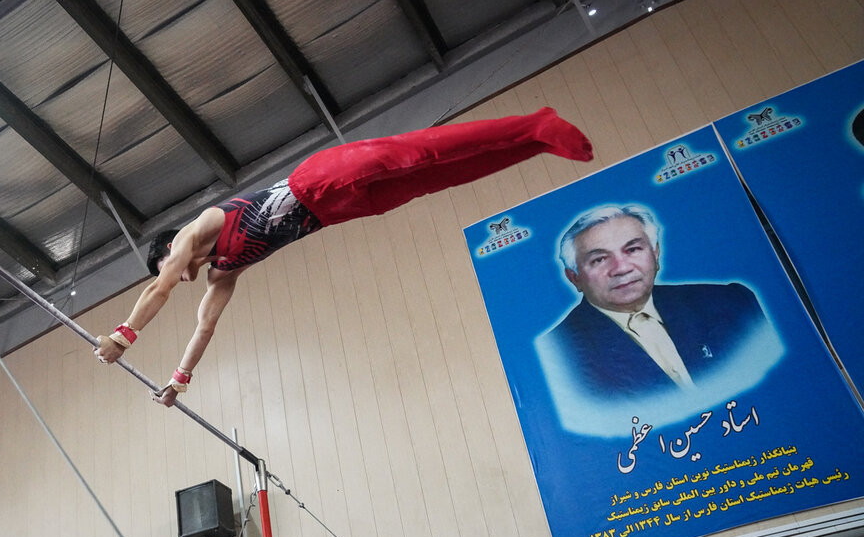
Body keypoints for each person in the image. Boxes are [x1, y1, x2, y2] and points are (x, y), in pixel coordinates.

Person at [93, 107, 594, 405]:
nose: (171, 277)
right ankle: (534, 144)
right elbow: (204, 329)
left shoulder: (197, 231)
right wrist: (178, 384)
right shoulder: (221, 275)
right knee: (434, 179)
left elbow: (158, 288)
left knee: (418, 152)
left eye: (163, 267)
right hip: (336, 213)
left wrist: (124, 336)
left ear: (168, 251)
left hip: (317, 179)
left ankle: (535, 122)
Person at [536, 203, 779, 410]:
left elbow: (780, 384)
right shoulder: (557, 353)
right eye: (599, 259)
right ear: (574, 277)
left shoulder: (730, 301)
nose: (622, 268)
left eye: (633, 249)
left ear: (656, 254)